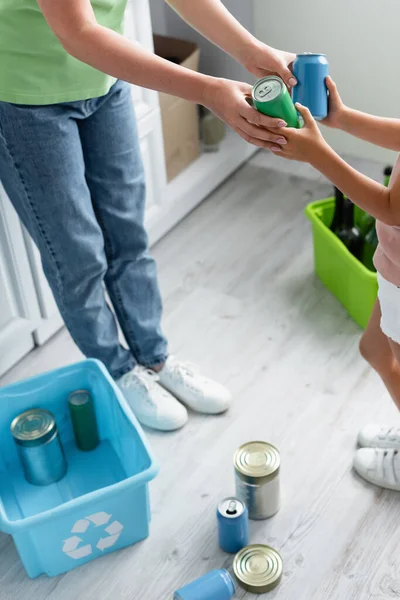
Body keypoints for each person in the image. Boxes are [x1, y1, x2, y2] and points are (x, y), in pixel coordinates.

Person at [0, 0, 296, 431]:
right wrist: (209, 90)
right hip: (28, 98)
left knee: (128, 234)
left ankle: (153, 358)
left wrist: (251, 50)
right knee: (77, 256)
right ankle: (116, 371)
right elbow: (79, 32)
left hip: (105, 78)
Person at [270, 77, 400, 490]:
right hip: (393, 266)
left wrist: (317, 153)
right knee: (374, 350)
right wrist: (342, 120)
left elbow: (390, 207)